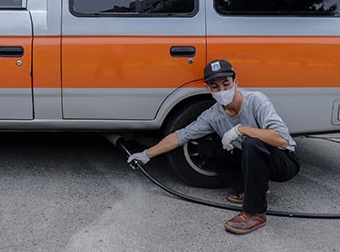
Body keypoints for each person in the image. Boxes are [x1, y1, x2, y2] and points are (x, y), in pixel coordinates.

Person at [127, 59, 299, 235]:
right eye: (215, 86)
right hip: (251, 159)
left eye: (226, 84)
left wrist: (241, 129)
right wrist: (146, 154)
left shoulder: (256, 100)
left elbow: (282, 140)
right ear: (209, 89)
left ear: (236, 82)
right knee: (206, 149)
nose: (222, 91)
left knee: (251, 142)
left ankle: (255, 212)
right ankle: (250, 188)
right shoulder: (213, 115)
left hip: (282, 161)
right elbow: (181, 136)